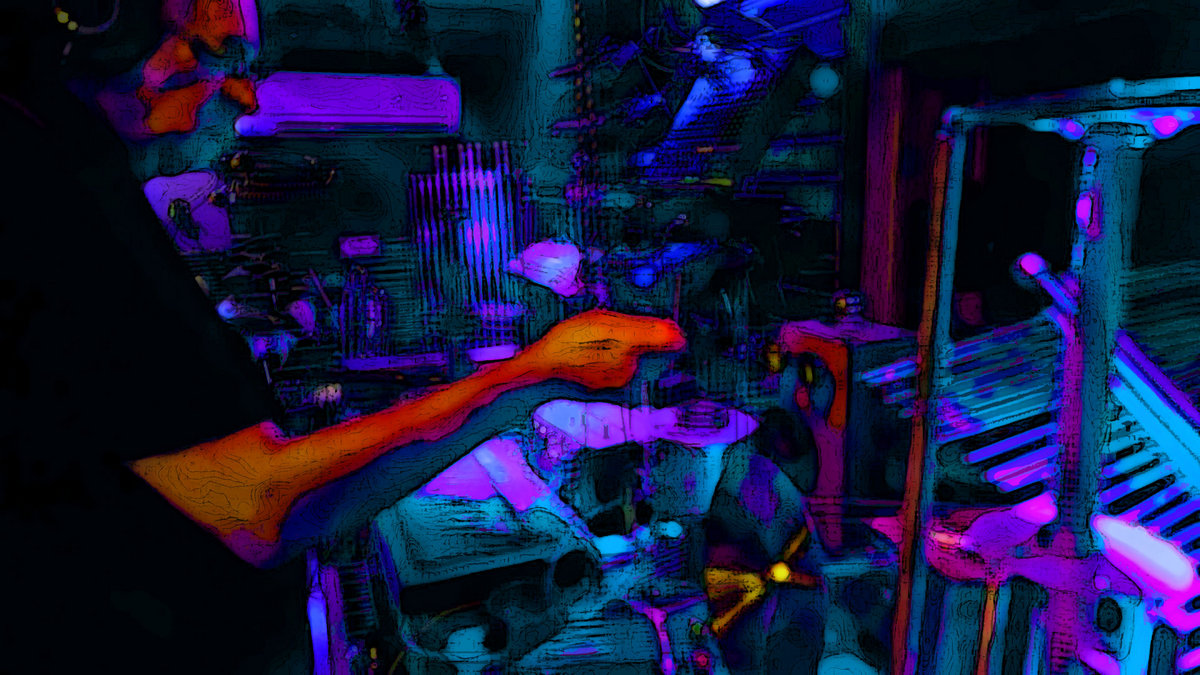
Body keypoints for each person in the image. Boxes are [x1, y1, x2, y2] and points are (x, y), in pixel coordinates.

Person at [0, 2, 684, 672]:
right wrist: (535, 374)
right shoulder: (47, 195)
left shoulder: (76, 185)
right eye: (216, 57)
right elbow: (255, 505)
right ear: (104, 26)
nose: (246, 99)